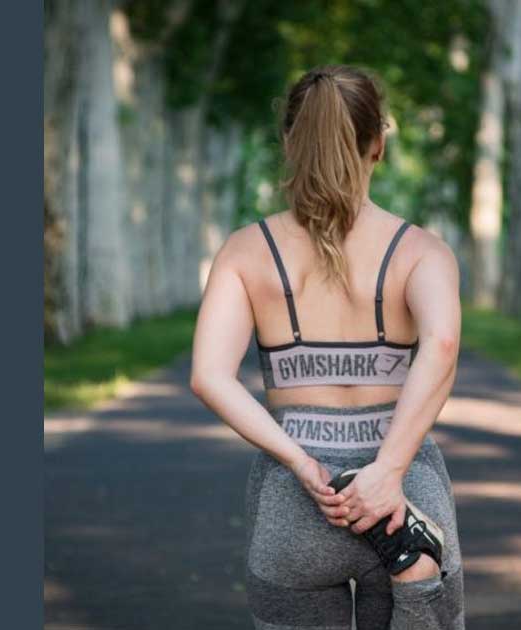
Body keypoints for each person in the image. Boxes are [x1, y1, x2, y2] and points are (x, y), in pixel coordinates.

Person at [190, 65, 465, 630]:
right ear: (378, 145)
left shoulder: (245, 253)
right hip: (403, 503)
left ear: (290, 142)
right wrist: (388, 471)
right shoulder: (422, 252)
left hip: (297, 503)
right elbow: (441, 341)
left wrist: (299, 460)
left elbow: (209, 376)